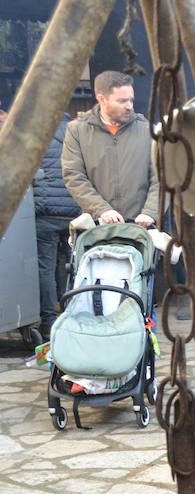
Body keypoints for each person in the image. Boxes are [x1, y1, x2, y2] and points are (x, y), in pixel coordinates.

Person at [61, 70, 158, 228]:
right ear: (101, 99)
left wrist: (150, 212)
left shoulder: (147, 131)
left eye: (131, 100)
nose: (129, 106)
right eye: (122, 101)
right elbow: (74, 176)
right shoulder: (77, 130)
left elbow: (161, 178)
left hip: (142, 227)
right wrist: (102, 210)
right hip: (97, 227)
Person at [32, 117, 81, 340]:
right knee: (71, 265)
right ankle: (72, 312)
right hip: (73, 211)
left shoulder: (35, 133)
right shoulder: (74, 130)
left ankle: (49, 320)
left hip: (45, 212)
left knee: (45, 267)